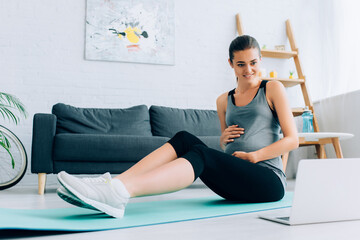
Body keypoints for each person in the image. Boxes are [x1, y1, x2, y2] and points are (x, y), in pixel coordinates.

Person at [57, 35, 299, 218]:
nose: (249, 70)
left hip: (268, 181)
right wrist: (225, 140)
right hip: (237, 179)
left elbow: (292, 140)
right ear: (231, 64)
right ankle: (113, 185)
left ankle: (121, 192)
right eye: (241, 64)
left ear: (260, 60)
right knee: (184, 138)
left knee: (201, 154)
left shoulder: (272, 88)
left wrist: (255, 156)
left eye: (253, 62)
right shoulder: (223, 100)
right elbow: (229, 142)